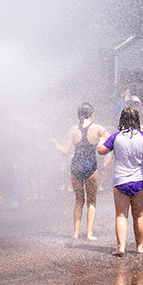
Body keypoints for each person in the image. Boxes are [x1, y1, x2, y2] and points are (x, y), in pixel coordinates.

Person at [97, 106, 143, 255]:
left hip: (120, 181)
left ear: (122, 119)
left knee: (121, 215)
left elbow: (101, 151)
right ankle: (139, 247)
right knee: (138, 215)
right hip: (139, 181)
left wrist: (101, 139)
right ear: (137, 120)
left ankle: (121, 247)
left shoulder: (115, 136)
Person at [50, 102, 107, 241]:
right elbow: (101, 149)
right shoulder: (98, 129)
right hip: (90, 167)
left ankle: (75, 233)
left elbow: (64, 152)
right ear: (92, 114)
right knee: (91, 202)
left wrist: (54, 143)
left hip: (75, 166)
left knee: (78, 200)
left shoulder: (73, 130)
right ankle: (89, 234)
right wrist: (103, 138)